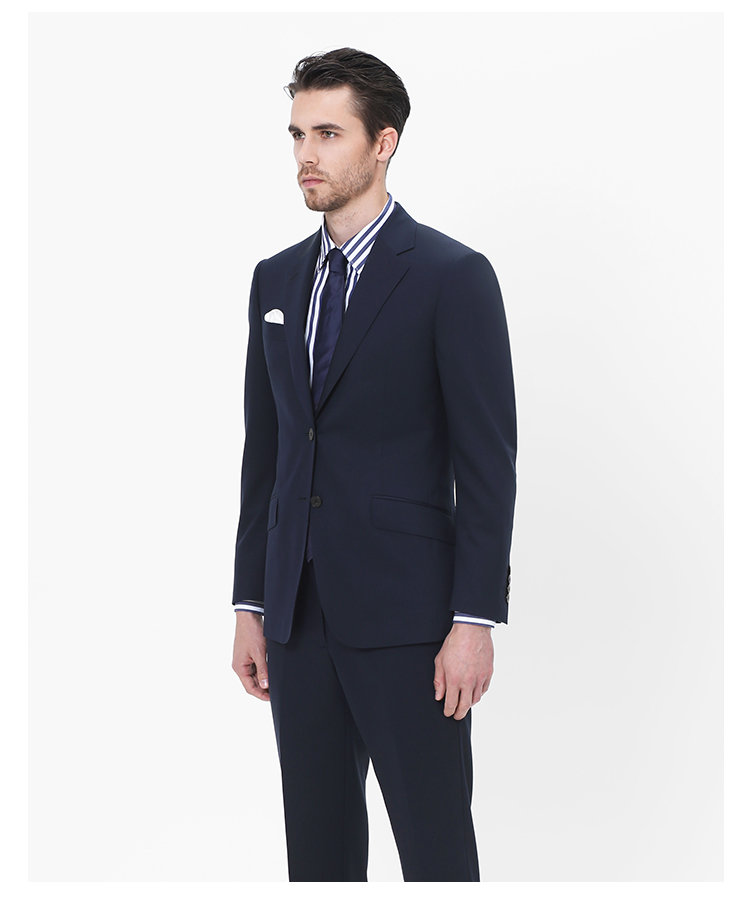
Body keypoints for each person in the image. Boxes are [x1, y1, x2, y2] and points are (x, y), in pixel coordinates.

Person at [231, 47, 516, 882]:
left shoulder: (452, 276)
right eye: (297, 135)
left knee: (435, 851)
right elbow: (266, 453)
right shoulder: (276, 280)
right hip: (296, 617)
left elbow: (488, 463)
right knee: (317, 859)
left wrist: (474, 620)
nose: (306, 155)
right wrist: (251, 602)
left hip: (411, 621)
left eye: (329, 133)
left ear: (383, 142)